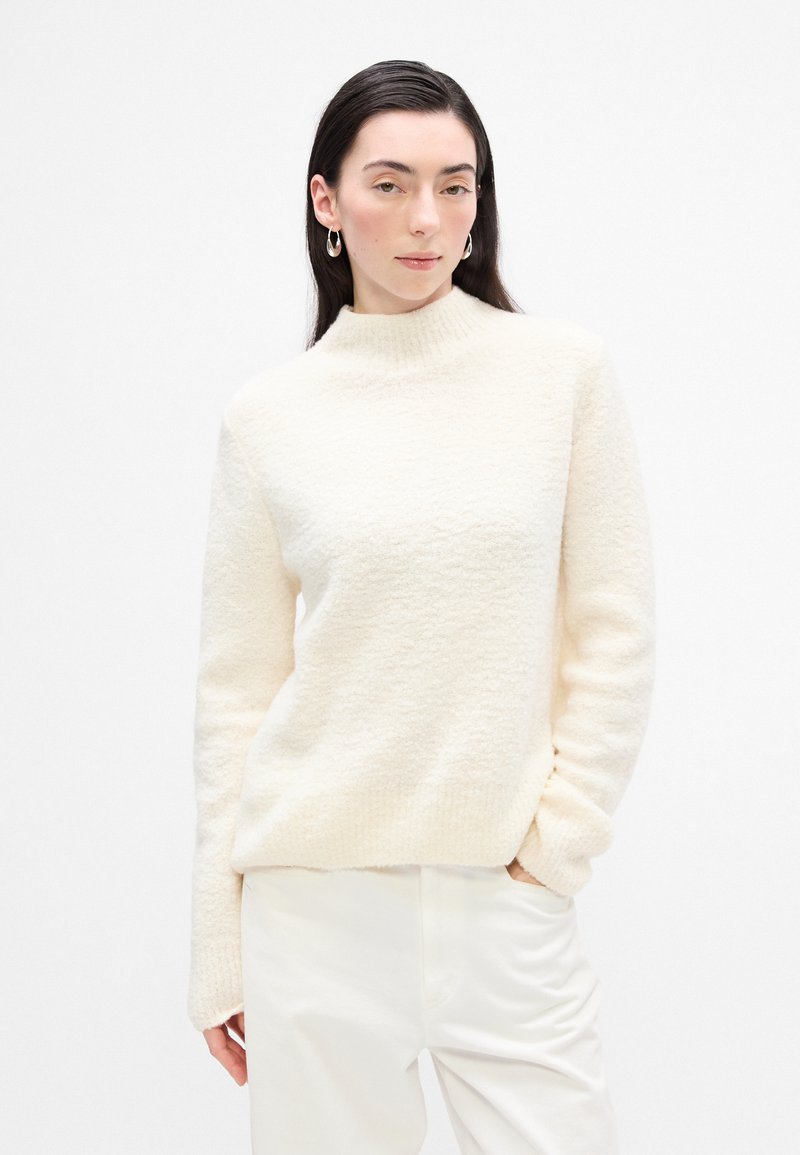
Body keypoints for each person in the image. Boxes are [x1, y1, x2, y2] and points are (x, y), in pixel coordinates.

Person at [187, 58, 656, 1155]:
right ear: (326, 201)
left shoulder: (561, 375)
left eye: (455, 185)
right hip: (311, 911)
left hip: (505, 901)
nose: (426, 219)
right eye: (389, 184)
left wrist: (554, 851)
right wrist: (219, 940)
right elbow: (236, 694)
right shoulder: (269, 418)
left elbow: (614, 632)